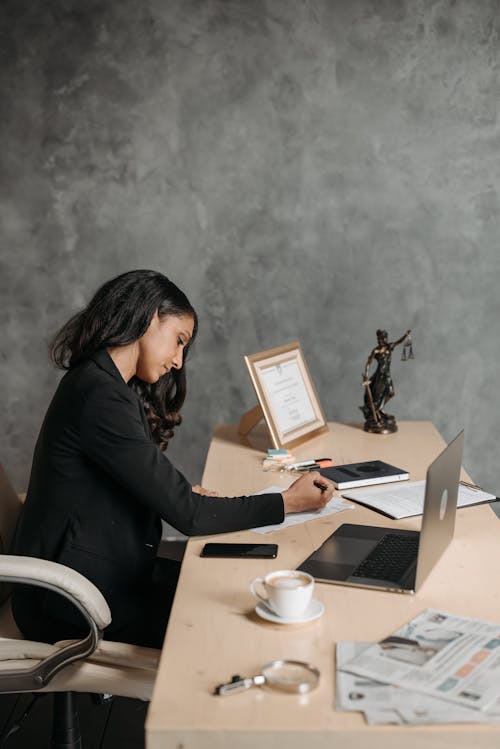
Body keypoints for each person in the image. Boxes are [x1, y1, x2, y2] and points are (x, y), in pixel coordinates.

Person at [11, 270, 334, 649]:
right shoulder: (101, 397)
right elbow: (189, 516)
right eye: (179, 341)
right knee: (232, 621)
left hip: (94, 573)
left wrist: (177, 494)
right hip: (70, 602)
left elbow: (133, 486)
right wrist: (288, 502)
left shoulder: (102, 384)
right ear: (149, 319)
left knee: (222, 586)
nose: (179, 361)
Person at [361, 328, 411, 433]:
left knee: (391, 393)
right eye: (381, 338)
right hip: (380, 375)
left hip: (387, 375)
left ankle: (379, 408)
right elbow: (369, 362)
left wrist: (406, 335)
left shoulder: (389, 346)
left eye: (384, 338)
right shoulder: (376, 351)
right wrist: (366, 373)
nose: (383, 340)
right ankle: (376, 411)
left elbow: (398, 342)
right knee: (378, 395)